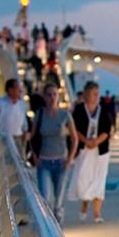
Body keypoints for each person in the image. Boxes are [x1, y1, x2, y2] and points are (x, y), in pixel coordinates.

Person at [69, 81, 115, 223]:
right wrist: (86, 141)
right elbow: (74, 128)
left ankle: (97, 212)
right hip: (84, 149)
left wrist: (96, 141)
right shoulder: (78, 109)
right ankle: (84, 206)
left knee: (99, 180)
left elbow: (107, 129)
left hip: (101, 151)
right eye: (91, 94)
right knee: (83, 179)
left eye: (96, 94)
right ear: (85, 95)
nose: (95, 97)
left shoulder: (104, 109)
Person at [32, 81, 75, 222]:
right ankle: (47, 229)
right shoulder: (39, 115)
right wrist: (35, 157)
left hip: (61, 162)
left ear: (59, 96)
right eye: (49, 95)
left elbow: (75, 138)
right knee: (45, 198)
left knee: (58, 202)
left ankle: (58, 232)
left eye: (54, 94)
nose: (52, 98)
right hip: (44, 162)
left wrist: (70, 159)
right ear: (44, 97)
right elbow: (32, 137)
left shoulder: (65, 115)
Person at [0, 79, 30, 151]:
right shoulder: (0, 103)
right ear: (10, 90)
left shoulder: (22, 104)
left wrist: (25, 132)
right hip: (3, 138)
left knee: (18, 159)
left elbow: (24, 122)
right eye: (18, 88)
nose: (20, 91)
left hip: (18, 138)